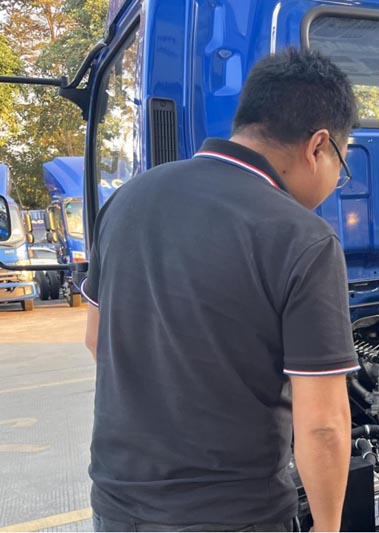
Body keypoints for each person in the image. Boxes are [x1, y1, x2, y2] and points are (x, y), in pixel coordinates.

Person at [82, 47, 359, 532]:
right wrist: (328, 527)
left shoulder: (127, 201)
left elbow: (95, 340)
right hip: (232, 516)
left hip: (116, 506)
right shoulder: (302, 237)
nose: (337, 179)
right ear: (318, 146)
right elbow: (321, 425)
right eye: (343, 162)